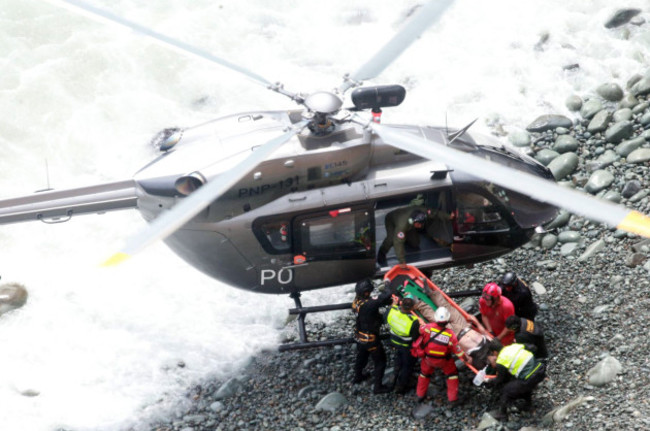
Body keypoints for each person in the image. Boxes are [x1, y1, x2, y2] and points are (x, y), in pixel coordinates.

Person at [414, 307, 467, 407]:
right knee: (452, 375)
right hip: (443, 361)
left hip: (428, 359)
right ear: (447, 320)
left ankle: (419, 395)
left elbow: (419, 331)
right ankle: (452, 399)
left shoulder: (428, 328)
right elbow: (458, 351)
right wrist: (465, 358)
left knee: (424, 374)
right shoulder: (450, 334)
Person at [484, 339, 546, 421]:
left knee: (506, 390)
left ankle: (502, 414)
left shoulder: (501, 360)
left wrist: (489, 381)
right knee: (521, 381)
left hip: (530, 378)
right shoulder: (514, 346)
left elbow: (500, 379)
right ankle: (528, 405)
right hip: (540, 370)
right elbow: (533, 347)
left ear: (495, 352)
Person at [351, 279, 393, 394]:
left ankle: (358, 376)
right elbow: (384, 296)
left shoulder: (356, 301)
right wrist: (388, 284)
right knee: (380, 362)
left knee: (362, 356)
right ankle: (378, 387)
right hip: (371, 339)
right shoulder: (368, 304)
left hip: (359, 336)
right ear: (366, 292)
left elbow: (374, 304)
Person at [377, 206, 453, 268]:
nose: (420, 226)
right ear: (413, 221)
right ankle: (381, 253)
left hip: (409, 224)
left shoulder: (423, 212)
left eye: (421, 224)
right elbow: (398, 242)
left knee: (415, 243)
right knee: (391, 240)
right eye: (418, 224)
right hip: (392, 220)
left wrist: (448, 216)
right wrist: (402, 261)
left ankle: (406, 238)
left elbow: (434, 213)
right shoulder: (402, 225)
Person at [384, 296, 420, 394]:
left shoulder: (392, 312)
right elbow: (416, 336)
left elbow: (386, 317)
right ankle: (401, 387)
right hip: (406, 346)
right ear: (412, 308)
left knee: (398, 359)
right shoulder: (413, 321)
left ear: (401, 304)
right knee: (407, 366)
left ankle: (394, 377)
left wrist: (393, 305)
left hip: (394, 341)